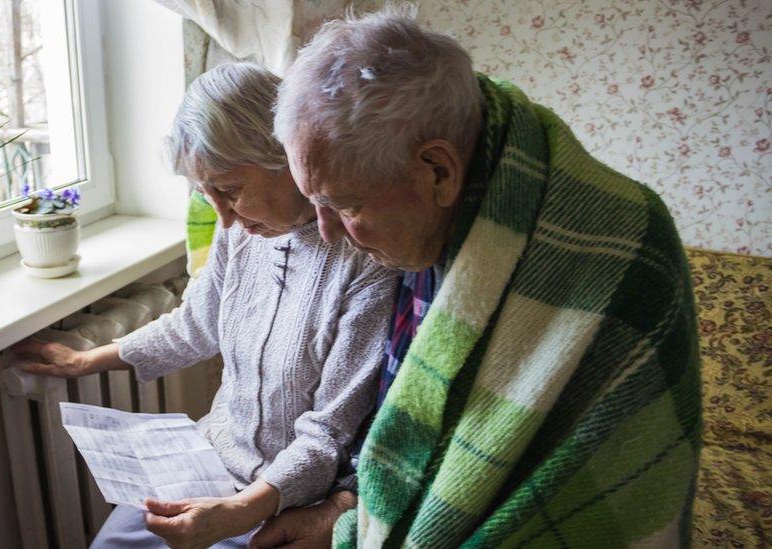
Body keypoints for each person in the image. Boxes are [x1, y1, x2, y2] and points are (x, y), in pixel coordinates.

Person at [252, 7, 702, 548]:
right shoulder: (429, 219)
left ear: (438, 171)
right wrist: (345, 519)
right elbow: (405, 427)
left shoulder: (625, 247)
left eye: (343, 205)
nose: (327, 232)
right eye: (314, 203)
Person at [8, 62, 398, 549]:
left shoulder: (368, 261)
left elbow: (328, 434)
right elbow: (196, 324)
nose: (223, 218)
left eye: (230, 190)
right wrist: (86, 360)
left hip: (291, 501)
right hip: (208, 460)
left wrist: (239, 511)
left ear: (287, 157)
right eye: (204, 193)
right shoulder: (241, 233)